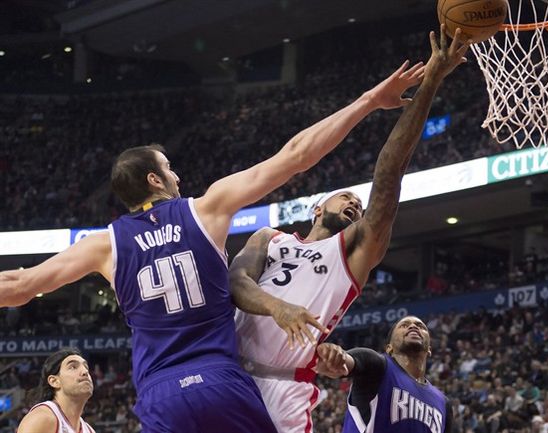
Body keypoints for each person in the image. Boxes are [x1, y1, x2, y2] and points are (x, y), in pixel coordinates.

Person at [0, 60, 425, 432]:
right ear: (154, 180)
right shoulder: (207, 209)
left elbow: (20, 285)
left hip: (160, 393)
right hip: (221, 382)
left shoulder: (103, 245)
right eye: (169, 168)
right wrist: (369, 100)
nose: (178, 176)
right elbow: (296, 154)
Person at [230, 25, 470, 433]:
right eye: (345, 198)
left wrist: (430, 81)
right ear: (317, 207)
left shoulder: (354, 251)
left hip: (285, 387)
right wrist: (277, 306)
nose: (355, 205)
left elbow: (390, 168)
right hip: (229, 371)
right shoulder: (268, 238)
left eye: (358, 205)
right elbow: (235, 282)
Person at [315, 315, 453, 433]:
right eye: (404, 325)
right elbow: (352, 361)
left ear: (429, 349)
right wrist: (336, 358)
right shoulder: (378, 367)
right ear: (389, 348)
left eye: (420, 326)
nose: (413, 326)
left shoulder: (444, 403)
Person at [17, 348, 95, 433]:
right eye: (73, 367)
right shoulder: (42, 418)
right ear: (54, 381)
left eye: (86, 367)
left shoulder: (89, 430)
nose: (85, 372)